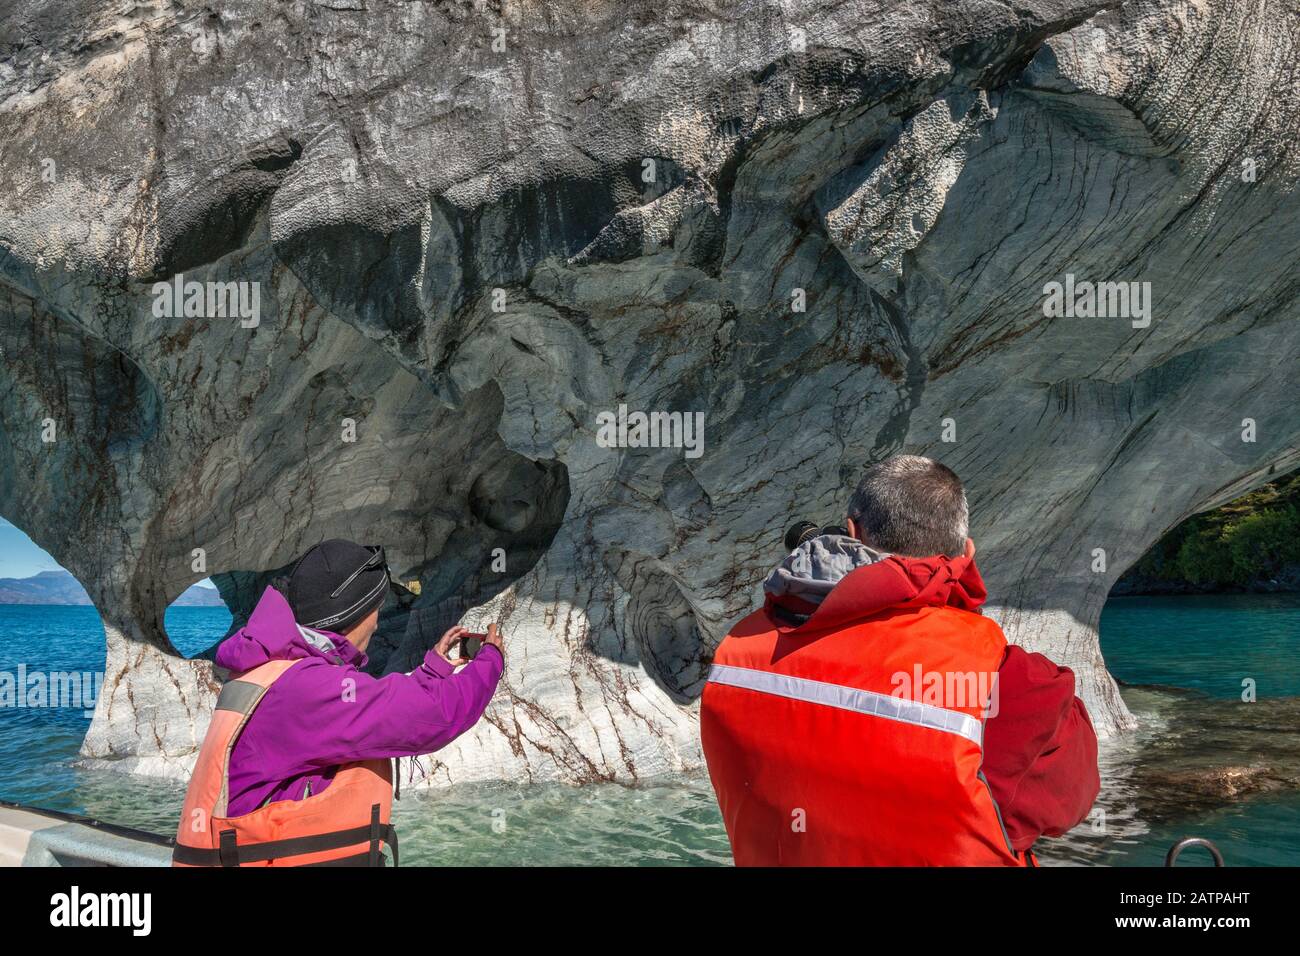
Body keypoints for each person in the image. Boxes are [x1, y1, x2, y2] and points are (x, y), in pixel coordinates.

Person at [700, 455, 1099, 866]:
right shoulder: (1009, 681)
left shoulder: (739, 650)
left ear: (852, 533)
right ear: (966, 552)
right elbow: (1068, 799)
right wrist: (957, 616)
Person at [173, 538, 503, 866]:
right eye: (376, 606)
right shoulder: (307, 688)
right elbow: (434, 715)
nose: (377, 620)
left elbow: (376, 708)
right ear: (356, 613)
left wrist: (434, 670)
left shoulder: (273, 669)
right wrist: (491, 659)